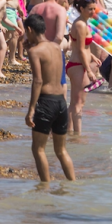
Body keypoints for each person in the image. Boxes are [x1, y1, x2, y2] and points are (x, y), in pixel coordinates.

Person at [24, 15, 75, 182]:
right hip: (61, 101)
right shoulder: (57, 47)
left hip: (46, 102)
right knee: (61, 150)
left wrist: (31, 109)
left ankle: (45, 187)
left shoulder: (34, 52)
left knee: (38, 149)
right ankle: (73, 185)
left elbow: (38, 80)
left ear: (30, 30)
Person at [67, 0, 103, 134]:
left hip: (76, 64)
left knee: (74, 102)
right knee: (79, 103)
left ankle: (69, 132)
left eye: (94, 9)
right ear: (81, 9)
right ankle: (78, 136)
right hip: (78, 65)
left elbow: (81, 46)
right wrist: (89, 70)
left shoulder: (82, 22)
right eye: (90, 9)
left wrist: (92, 56)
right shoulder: (81, 24)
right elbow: (81, 49)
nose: (93, 12)